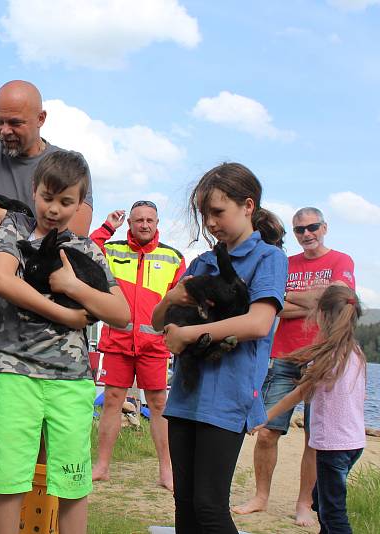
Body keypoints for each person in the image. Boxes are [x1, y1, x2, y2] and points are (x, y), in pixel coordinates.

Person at [0, 150, 130, 534]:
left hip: (71, 381)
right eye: (48, 197)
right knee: (9, 481)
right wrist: (65, 314)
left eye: (66, 202)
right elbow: (0, 280)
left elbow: (121, 313)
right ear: (34, 191)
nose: (54, 209)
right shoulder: (14, 230)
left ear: (81, 204)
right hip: (15, 374)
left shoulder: (89, 250)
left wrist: (74, 286)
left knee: (72, 483)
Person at [151, 162, 288, 533]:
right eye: (204, 214)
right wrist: (171, 298)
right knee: (185, 505)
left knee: (210, 508)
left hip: (226, 399)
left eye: (218, 212)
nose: (211, 223)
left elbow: (259, 323)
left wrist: (191, 335)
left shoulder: (269, 258)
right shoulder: (201, 262)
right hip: (184, 397)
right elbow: (159, 321)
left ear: (248, 206)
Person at [0, 80, 93, 408]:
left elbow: (75, 240)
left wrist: (4, 220)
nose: (5, 130)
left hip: (40, 315)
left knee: (42, 418)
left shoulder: (68, 167)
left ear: (41, 118)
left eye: (15, 122)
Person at [233, 207, 355, 526]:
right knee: (267, 431)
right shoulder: (285, 264)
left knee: (316, 438)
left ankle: (304, 503)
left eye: (312, 227)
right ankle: (261, 497)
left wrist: (290, 297)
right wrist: (314, 300)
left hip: (324, 357)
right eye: (300, 230)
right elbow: (272, 306)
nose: (306, 234)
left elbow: (340, 300)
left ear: (324, 227)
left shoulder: (341, 261)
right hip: (284, 355)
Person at [253, 285, 365, 534]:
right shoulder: (355, 353)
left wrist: (264, 417)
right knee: (322, 501)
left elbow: (298, 394)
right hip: (354, 444)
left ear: (322, 317)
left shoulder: (326, 357)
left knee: (334, 515)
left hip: (332, 446)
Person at [88, 201, 185, 488]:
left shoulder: (173, 257)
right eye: (138, 220)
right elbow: (87, 250)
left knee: (158, 405)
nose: (144, 225)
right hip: (117, 341)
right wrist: (108, 227)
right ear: (129, 222)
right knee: (112, 402)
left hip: (154, 345)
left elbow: (181, 301)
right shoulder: (114, 250)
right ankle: (102, 465)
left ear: (157, 224)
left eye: (149, 220)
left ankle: (166, 470)